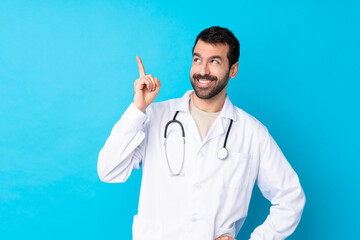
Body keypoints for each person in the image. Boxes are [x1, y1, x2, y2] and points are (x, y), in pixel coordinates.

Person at [97, 26, 305, 240]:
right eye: (197, 59)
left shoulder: (252, 133)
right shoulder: (154, 116)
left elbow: (291, 198)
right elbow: (109, 171)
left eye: (214, 61)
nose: (203, 70)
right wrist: (137, 109)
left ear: (233, 70)